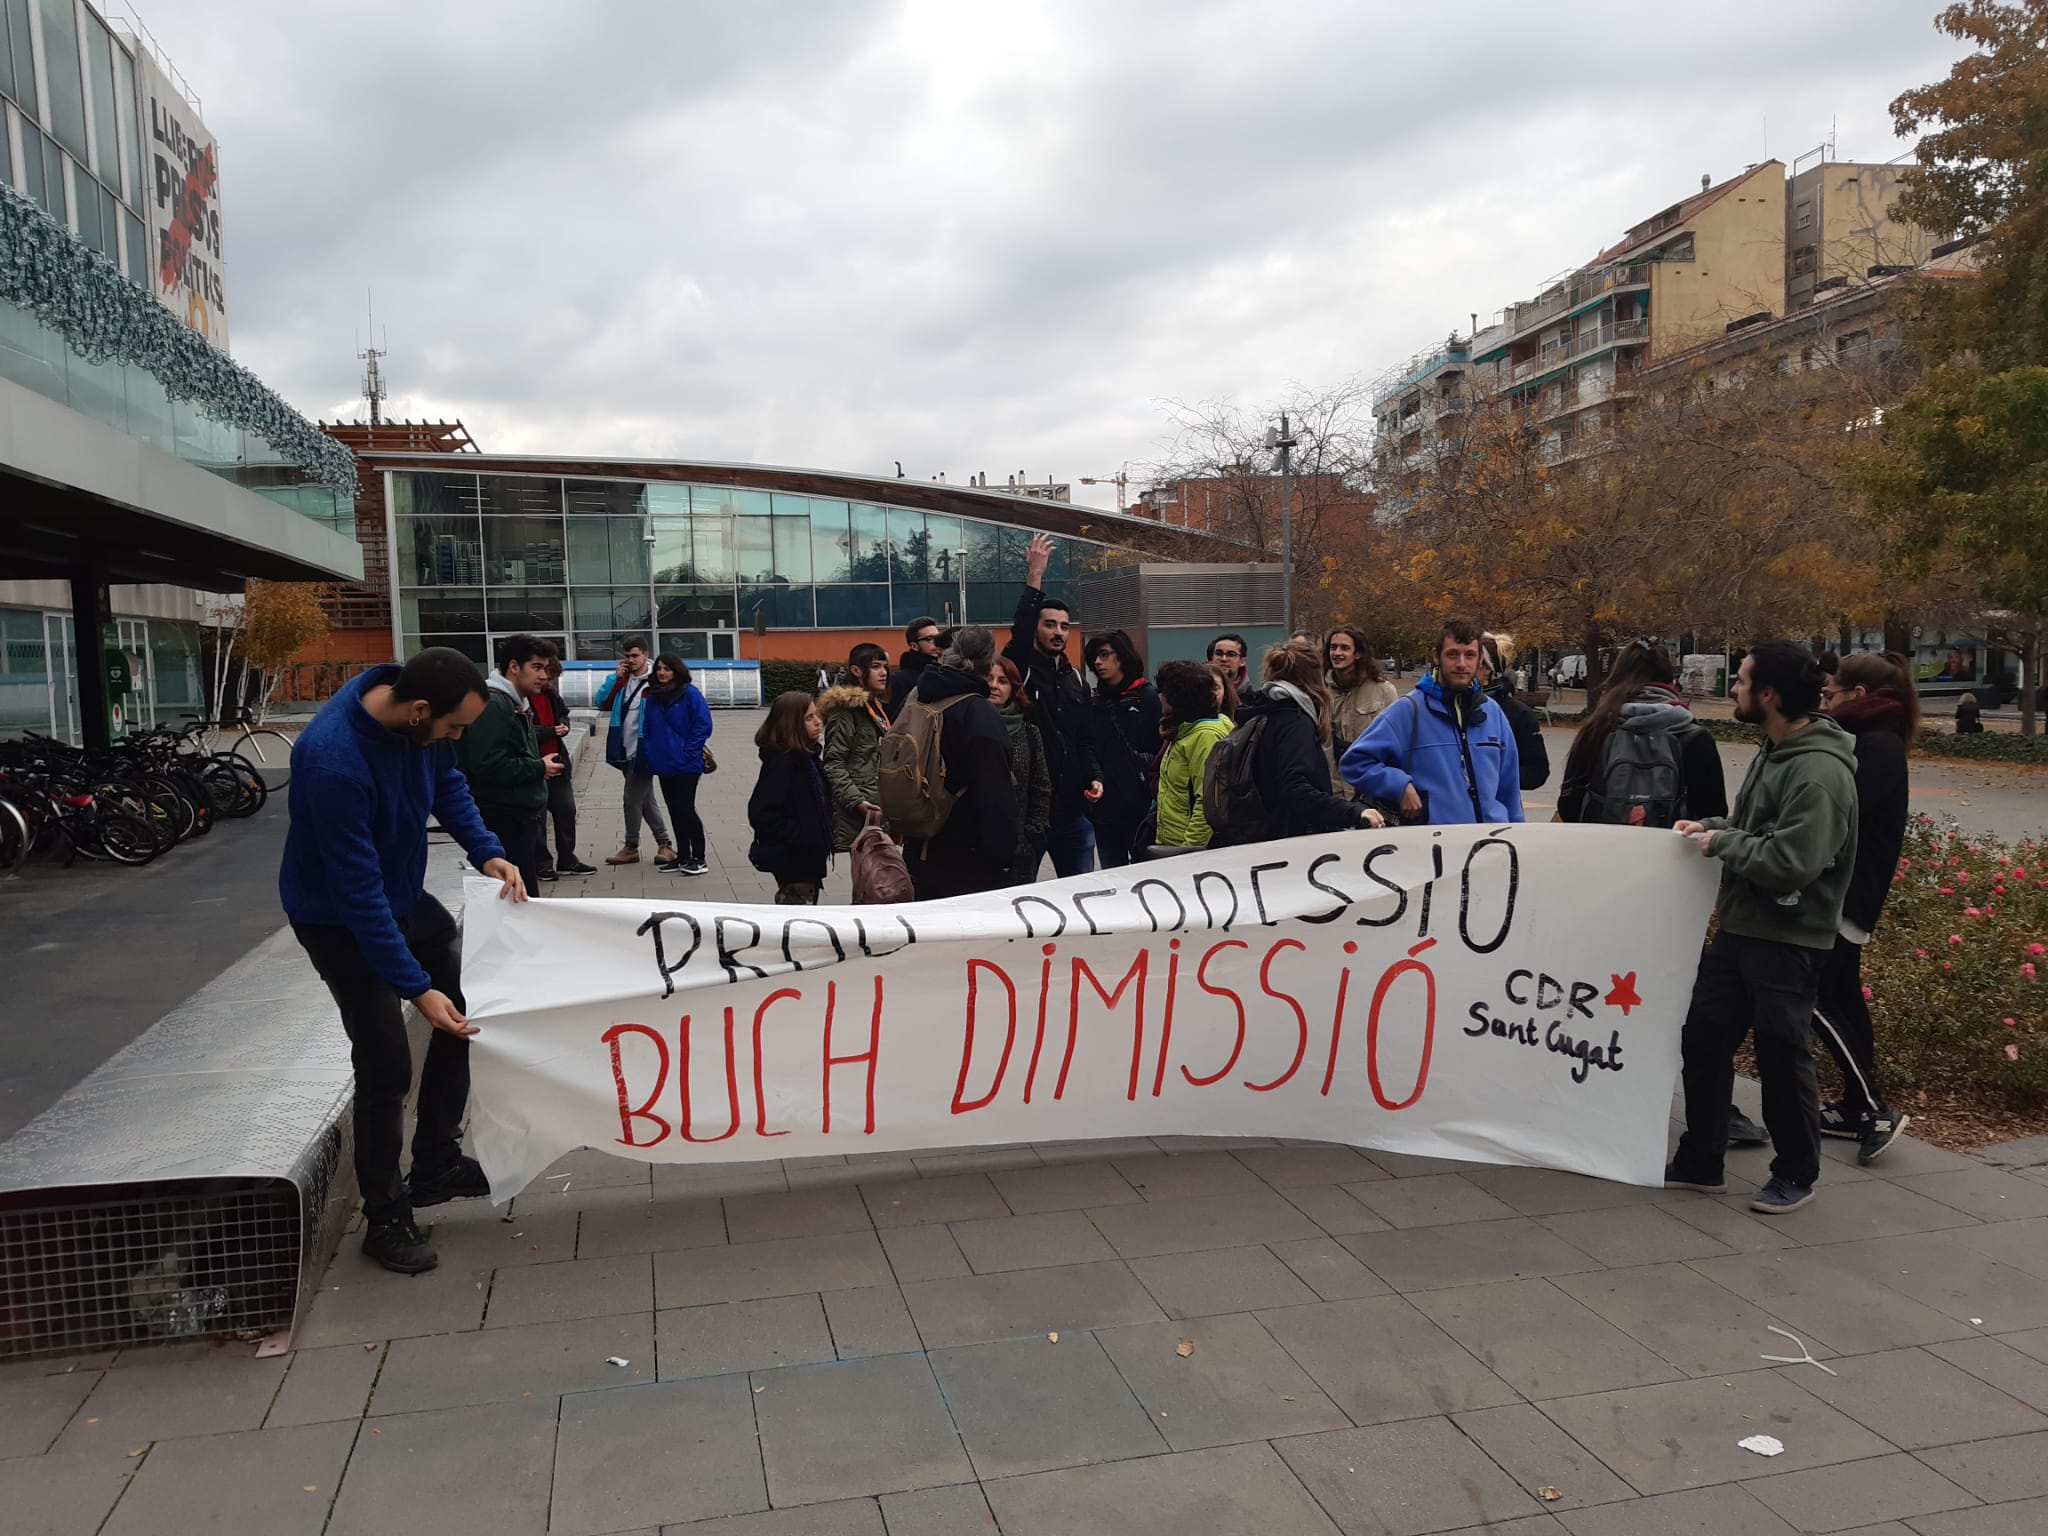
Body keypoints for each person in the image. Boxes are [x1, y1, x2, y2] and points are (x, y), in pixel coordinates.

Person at [280, 647, 527, 1274]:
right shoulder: (332, 759)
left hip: (398, 892)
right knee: (386, 1062)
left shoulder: (418, 723)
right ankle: (385, 1218)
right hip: (338, 916)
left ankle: (436, 1163)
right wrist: (415, 989)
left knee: (467, 1002)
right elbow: (356, 894)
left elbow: (447, 781)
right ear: (420, 711)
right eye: (452, 728)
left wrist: (486, 851)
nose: (457, 737)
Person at [1666, 643, 1859, 1215]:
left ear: (1768, 695)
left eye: (1742, 680)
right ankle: (1701, 1160)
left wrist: (1723, 842)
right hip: (1743, 930)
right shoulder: (1775, 751)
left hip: (1790, 941)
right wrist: (1711, 826)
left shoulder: (1819, 771)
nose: (1733, 688)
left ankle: (1797, 1173)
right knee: (1703, 1038)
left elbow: (1794, 860)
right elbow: (1755, 827)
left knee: (1780, 1057)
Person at [1813, 651, 1918, 1162]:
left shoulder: (1875, 746)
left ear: (1857, 695)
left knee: (1813, 998)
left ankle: (1874, 1106)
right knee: (1842, 998)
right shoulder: (1877, 740)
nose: (1824, 702)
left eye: (1830, 694)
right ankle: (1858, 1103)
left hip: (1846, 895)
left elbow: (1842, 815)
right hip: (1853, 892)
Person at [1341, 618, 1525, 825]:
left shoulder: (1493, 713)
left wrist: (1517, 837)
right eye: (1452, 654)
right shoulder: (1408, 711)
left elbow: (1509, 789)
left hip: (1490, 845)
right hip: (1434, 846)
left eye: (1469, 655)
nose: (1461, 664)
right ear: (1436, 656)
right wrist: (1399, 786)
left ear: (1479, 659)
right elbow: (1354, 762)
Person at [1216, 642, 1389, 845]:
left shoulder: (1265, 712)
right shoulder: (1294, 722)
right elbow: (1295, 789)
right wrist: (1353, 812)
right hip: (1288, 841)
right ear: (1315, 678)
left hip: (1259, 835)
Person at [1004, 533, 1102, 875]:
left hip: (1073, 814)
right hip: (1030, 814)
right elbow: (1020, 631)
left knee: (1083, 902)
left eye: (1064, 626)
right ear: (1036, 628)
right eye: (1049, 625)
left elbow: (1086, 738)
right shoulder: (1020, 668)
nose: (1058, 632)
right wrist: (1035, 576)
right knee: (1019, 904)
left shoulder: (1076, 678)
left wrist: (1094, 777)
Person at [902, 626, 1020, 899]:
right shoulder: (979, 713)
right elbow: (994, 795)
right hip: (968, 858)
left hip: (919, 845)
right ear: (989, 664)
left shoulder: (917, 697)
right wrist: (1003, 856)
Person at [1556, 639, 1726, 825]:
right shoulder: (1695, 737)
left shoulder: (1597, 730)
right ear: (1672, 682)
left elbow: (1569, 805)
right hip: (1673, 850)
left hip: (1604, 847)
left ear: (1616, 678)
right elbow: (1714, 814)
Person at [455, 633, 564, 898]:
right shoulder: (494, 703)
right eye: (536, 667)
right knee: (518, 899)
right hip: (504, 819)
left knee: (524, 897)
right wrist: (538, 768)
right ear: (514, 667)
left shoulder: (514, 702)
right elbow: (487, 765)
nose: (544, 676)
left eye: (545, 669)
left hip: (517, 817)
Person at [595, 638, 675, 866]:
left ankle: (631, 846)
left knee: (631, 797)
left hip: (645, 749)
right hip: (624, 747)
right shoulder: (623, 679)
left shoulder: (656, 680)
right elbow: (601, 702)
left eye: (635, 656)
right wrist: (615, 678)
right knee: (645, 799)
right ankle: (665, 845)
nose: (630, 660)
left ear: (645, 655)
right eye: (627, 656)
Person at [747, 692, 833, 904]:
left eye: (816, 716)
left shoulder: (808, 758)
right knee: (798, 921)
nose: (818, 722)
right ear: (791, 724)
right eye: (809, 718)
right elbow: (760, 813)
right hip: (795, 861)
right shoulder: (783, 762)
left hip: (809, 857)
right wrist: (801, 835)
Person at [1085, 628, 1161, 868]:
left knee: (1144, 873)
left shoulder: (1146, 697)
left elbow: (1159, 748)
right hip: (1105, 808)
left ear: (1123, 656)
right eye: (1096, 656)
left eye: (1105, 655)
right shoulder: (1095, 700)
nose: (1098, 662)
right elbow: (1089, 745)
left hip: (1140, 808)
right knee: (1111, 876)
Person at [640, 653, 713, 875]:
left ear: (677, 671)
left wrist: (688, 751)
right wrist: (650, 750)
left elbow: (703, 724)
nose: (662, 673)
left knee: (686, 809)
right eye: (659, 668)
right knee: (673, 810)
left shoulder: (689, 694)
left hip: (686, 764)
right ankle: (682, 856)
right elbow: (648, 726)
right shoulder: (653, 695)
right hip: (663, 762)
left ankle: (699, 858)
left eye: (667, 669)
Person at [1153, 659, 1234, 850]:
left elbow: (1207, 805)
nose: (1159, 698)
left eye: (1163, 692)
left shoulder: (1205, 736)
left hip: (1188, 852)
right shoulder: (1184, 732)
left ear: (1177, 697)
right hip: (1173, 845)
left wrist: (1189, 851)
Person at [819, 643, 892, 853]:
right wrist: (856, 801)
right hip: (860, 810)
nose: (883, 673)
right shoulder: (845, 710)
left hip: (878, 806)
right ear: (856, 670)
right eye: (876, 666)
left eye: (885, 667)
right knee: (869, 876)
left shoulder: (875, 705)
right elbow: (833, 763)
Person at [531, 656, 594, 879]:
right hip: (535, 764)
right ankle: (542, 863)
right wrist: (550, 731)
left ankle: (567, 858)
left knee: (566, 809)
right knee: (537, 817)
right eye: (546, 677)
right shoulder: (521, 698)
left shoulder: (551, 695)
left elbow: (563, 714)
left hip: (557, 761)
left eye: (552, 678)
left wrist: (564, 725)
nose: (548, 682)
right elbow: (523, 731)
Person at [991, 656, 1053, 882]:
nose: (994, 685)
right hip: (978, 850)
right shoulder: (970, 725)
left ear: (1014, 689)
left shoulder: (1029, 732)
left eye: (1002, 681)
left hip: (1020, 849)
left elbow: (1041, 787)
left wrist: (1033, 833)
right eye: (989, 678)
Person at [1325, 626, 1398, 782]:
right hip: (1332, 788)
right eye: (1333, 647)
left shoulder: (1384, 691)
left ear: (1357, 653)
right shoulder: (1321, 693)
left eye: (1344, 648)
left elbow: (1396, 743)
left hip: (1369, 786)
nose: (1337, 653)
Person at [1480, 634, 1550, 791]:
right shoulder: (1440, 706)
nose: (1461, 664)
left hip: (1494, 810)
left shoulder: (1518, 713)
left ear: (1488, 669)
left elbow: (1537, 771)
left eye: (1470, 657)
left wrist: (1492, 778)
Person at [891, 615, 942, 714]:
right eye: (930, 639)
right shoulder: (901, 680)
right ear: (914, 646)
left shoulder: (943, 672)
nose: (936, 643)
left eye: (938, 637)